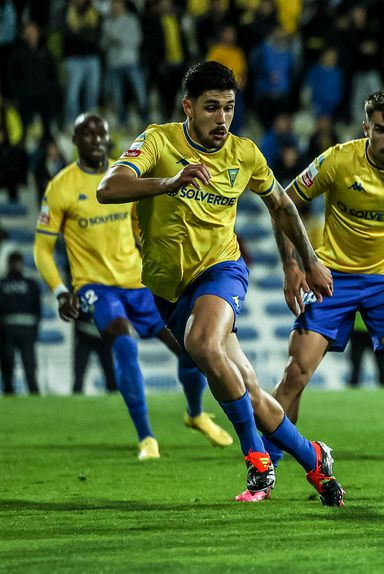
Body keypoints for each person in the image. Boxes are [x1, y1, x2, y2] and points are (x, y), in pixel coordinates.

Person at [96, 61, 344, 505]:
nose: (222, 119)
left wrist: (305, 262)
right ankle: (314, 459)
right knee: (247, 390)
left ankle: (257, 462)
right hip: (168, 288)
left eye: (229, 108)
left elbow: (283, 206)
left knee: (202, 344)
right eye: (211, 108)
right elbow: (108, 188)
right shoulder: (159, 140)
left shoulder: (244, 153)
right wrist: (168, 182)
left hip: (222, 269)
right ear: (188, 107)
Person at [267, 88, 384, 497]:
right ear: (366, 127)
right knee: (295, 372)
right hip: (334, 275)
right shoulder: (337, 160)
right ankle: (267, 470)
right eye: (379, 130)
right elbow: (283, 204)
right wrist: (293, 265)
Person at [34, 113, 234, 459]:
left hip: (138, 282)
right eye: (89, 135)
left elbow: (140, 227)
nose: (97, 140)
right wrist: (61, 291)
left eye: (103, 134)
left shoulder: (125, 176)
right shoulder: (61, 186)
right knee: (123, 343)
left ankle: (195, 413)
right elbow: (42, 249)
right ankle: (147, 438)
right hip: (95, 286)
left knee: (191, 348)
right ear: (75, 141)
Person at [0, 252, 41, 395]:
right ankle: (30, 394)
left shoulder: (3, 284)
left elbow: (37, 309)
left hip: (10, 328)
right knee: (13, 364)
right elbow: (37, 310)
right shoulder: (31, 284)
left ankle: (25, 393)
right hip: (19, 328)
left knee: (21, 365)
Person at [347, 313, 384, 388]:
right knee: (355, 363)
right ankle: (353, 387)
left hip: (376, 329)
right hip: (358, 331)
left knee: (382, 363)